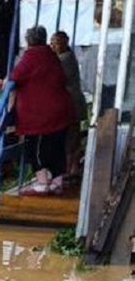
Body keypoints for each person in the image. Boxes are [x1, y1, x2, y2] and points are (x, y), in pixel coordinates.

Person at [9, 25, 76, 195]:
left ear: (29, 41)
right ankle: (57, 181)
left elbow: (15, 76)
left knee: (34, 148)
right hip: (60, 110)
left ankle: (42, 182)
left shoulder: (32, 56)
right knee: (57, 146)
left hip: (40, 115)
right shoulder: (52, 56)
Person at [50, 30, 88, 178]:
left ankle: (70, 168)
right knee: (72, 137)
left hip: (71, 104)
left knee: (70, 138)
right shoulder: (66, 57)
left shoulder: (65, 60)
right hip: (72, 103)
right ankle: (72, 167)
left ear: (65, 43)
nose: (53, 46)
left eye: (56, 43)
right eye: (52, 43)